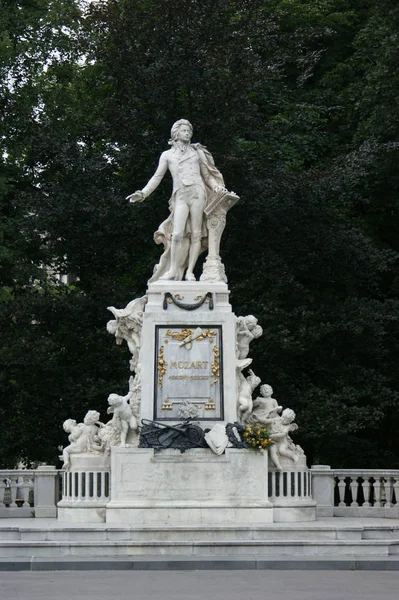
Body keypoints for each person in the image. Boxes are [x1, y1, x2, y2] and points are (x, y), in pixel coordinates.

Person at [127, 119, 226, 282]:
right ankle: (173, 270)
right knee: (177, 234)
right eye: (184, 131)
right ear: (176, 134)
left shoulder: (197, 152)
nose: (187, 133)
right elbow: (157, 177)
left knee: (196, 234)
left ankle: (190, 272)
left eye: (189, 131)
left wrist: (216, 187)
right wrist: (143, 193)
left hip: (197, 192)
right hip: (180, 195)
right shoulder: (167, 155)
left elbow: (207, 176)